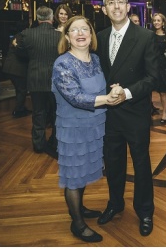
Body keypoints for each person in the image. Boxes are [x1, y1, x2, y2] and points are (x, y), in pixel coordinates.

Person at [51, 15, 123, 243]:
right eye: (75, 30)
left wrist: (115, 88)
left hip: (95, 127)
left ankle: (79, 208)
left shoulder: (95, 59)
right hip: (73, 129)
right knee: (73, 176)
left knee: (82, 171)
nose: (81, 33)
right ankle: (78, 224)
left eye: (86, 29)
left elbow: (106, 83)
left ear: (91, 35)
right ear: (67, 36)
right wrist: (108, 99)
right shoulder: (62, 63)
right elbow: (75, 97)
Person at [96, 0, 159, 236]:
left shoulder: (145, 37)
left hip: (134, 112)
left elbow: (153, 77)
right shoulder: (98, 37)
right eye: (110, 3)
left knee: (141, 164)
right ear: (104, 9)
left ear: (128, 6)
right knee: (113, 164)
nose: (116, 6)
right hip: (109, 115)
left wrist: (128, 93)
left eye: (120, 2)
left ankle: (145, 212)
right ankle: (115, 203)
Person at [15, 6, 60, 154]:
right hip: (55, 81)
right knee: (55, 113)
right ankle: (55, 142)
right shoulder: (59, 36)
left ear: (37, 18)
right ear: (52, 18)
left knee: (38, 112)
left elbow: (19, 49)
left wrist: (16, 45)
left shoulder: (27, 34)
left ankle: (39, 145)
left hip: (35, 80)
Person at [2, 20, 31, 118]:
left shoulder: (15, 36)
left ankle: (21, 107)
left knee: (19, 89)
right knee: (22, 90)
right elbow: (22, 54)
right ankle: (18, 111)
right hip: (17, 69)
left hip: (9, 68)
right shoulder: (23, 37)